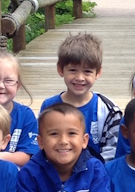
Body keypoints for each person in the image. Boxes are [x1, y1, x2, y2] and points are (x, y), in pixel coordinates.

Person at [39, 33, 122, 162]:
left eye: (87, 71)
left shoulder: (108, 109)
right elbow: (43, 144)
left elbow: (111, 152)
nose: (79, 78)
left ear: (98, 72)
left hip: (96, 175)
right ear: (60, 69)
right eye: (73, 70)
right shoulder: (48, 106)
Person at [0, 52, 39, 167]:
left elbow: (28, 155)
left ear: (18, 85)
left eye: (8, 80)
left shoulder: (25, 115)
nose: (0, 85)